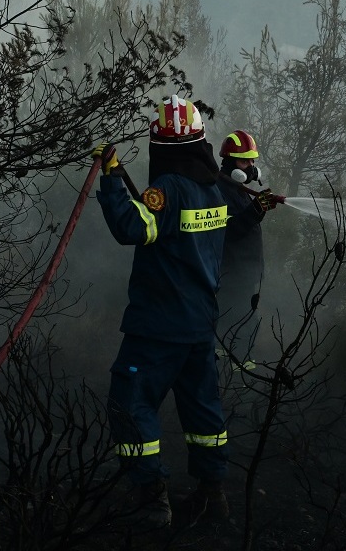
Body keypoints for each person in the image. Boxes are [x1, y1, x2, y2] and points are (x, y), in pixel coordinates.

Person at [90, 95, 231, 528]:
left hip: (159, 327)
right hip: (199, 326)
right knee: (203, 409)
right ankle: (213, 494)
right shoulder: (212, 189)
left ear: (161, 148)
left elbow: (131, 226)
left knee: (130, 404)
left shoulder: (169, 189)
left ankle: (150, 499)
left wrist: (111, 178)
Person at [215, 130, 283, 335]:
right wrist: (256, 209)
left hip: (245, 275)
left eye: (252, 161)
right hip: (232, 276)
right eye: (245, 162)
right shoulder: (219, 190)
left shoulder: (236, 188)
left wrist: (257, 208)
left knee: (245, 322)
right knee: (235, 326)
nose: (251, 167)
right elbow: (228, 231)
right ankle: (228, 354)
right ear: (230, 162)